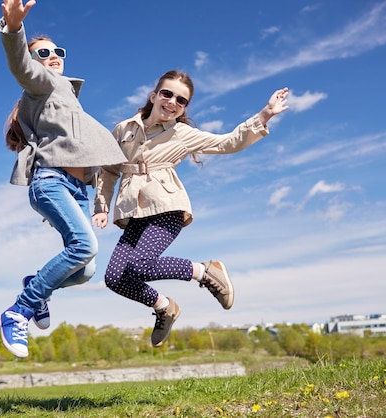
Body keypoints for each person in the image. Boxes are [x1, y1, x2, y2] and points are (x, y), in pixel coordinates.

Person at [92, 70, 289, 347]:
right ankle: (164, 307)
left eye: (181, 100)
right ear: (154, 96)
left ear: (184, 107)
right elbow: (109, 171)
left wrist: (264, 115)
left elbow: (227, 142)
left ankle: (205, 271)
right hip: (135, 212)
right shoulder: (124, 129)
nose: (172, 102)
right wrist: (101, 205)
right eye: (167, 94)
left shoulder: (182, 133)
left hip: (168, 206)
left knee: (140, 265)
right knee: (115, 277)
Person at [0, 0, 127, 358]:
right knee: (85, 247)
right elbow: (21, 67)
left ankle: (36, 284)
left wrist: (100, 201)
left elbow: (89, 154)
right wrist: (13, 31)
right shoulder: (42, 84)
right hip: (50, 181)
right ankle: (19, 310)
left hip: (76, 190)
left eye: (57, 51)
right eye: (44, 53)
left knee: (85, 271)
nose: (53, 56)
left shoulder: (66, 96)